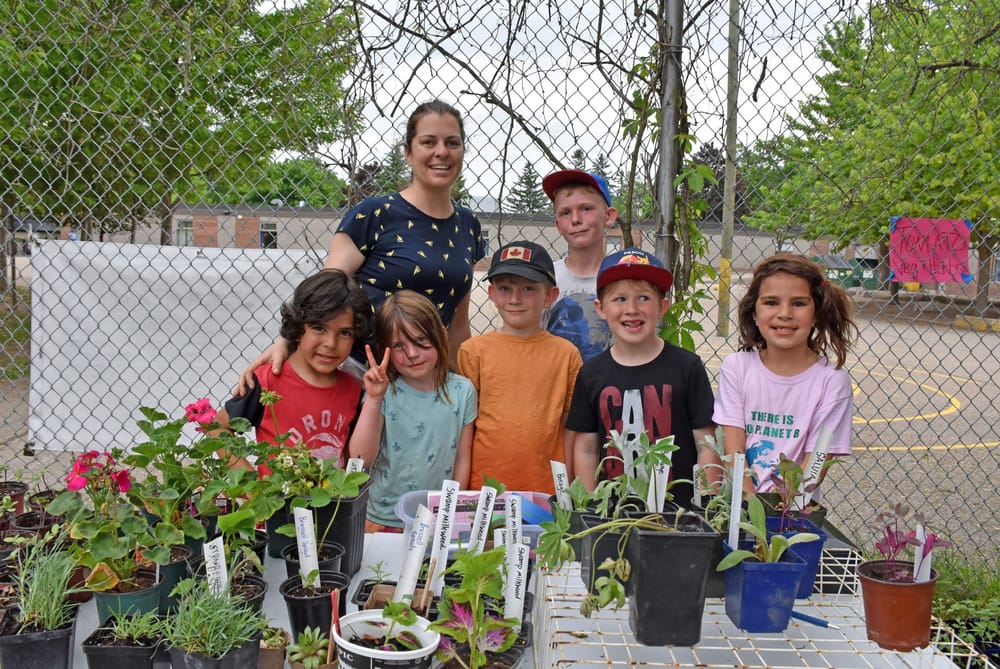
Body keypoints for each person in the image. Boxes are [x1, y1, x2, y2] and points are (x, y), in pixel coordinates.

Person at [238, 99, 486, 390]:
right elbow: (325, 290)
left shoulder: (468, 226)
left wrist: (466, 390)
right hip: (359, 376)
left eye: (452, 143)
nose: (441, 152)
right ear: (408, 153)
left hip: (423, 382)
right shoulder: (374, 214)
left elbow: (457, 324)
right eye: (428, 142)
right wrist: (286, 340)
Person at [567, 248, 718, 507]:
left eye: (644, 298)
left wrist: (706, 503)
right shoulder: (591, 373)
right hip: (611, 517)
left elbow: (706, 444)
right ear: (600, 308)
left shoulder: (687, 367)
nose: (632, 309)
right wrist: (589, 505)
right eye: (620, 299)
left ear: (662, 307)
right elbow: (586, 448)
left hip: (679, 513)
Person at [713, 254, 857, 494]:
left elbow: (815, 463)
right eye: (771, 302)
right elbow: (732, 447)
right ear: (754, 313)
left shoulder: (832, 381)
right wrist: (750, 506)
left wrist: (775, 513)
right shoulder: (737, 367)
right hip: (738, 505)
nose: (785, 313)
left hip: (791, 513)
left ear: (817, 313)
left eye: (799, 303)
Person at [458, 240, 582, 493]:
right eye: (504, 288)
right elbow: (463, 431)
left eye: (528, 288)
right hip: (485, 490)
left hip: (546, 489)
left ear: (550, 296)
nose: (515, 299)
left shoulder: (566, 355)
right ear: (492, 294)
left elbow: (571, 427)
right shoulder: (473, 352)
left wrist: (568, 487)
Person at [216, 269, 373, 470]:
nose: (330, 343)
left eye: (345, 332)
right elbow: (219, 427)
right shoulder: (267, 381)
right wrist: (251, 488)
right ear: (298, 327)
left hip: (332, 500)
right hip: (279, 500)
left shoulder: (353, 388)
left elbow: (355, 454)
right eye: (319, 328)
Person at [349, 290, 477, 533]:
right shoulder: (384, 391)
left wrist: (451, 511)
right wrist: (374, 399)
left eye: (421, 340)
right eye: (398, 345)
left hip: (436, 518)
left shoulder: (463, 390)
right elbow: (359, 458)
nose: (412, 354)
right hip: (382, 519)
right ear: (383, 349)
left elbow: (462, 457)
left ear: (441, 335)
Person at [541, 169, 616, 361]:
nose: (575, 219)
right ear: (558, 225)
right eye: (565, 212)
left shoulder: (623, 278)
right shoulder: (545, 277)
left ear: (609, 216)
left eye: (586, 209)